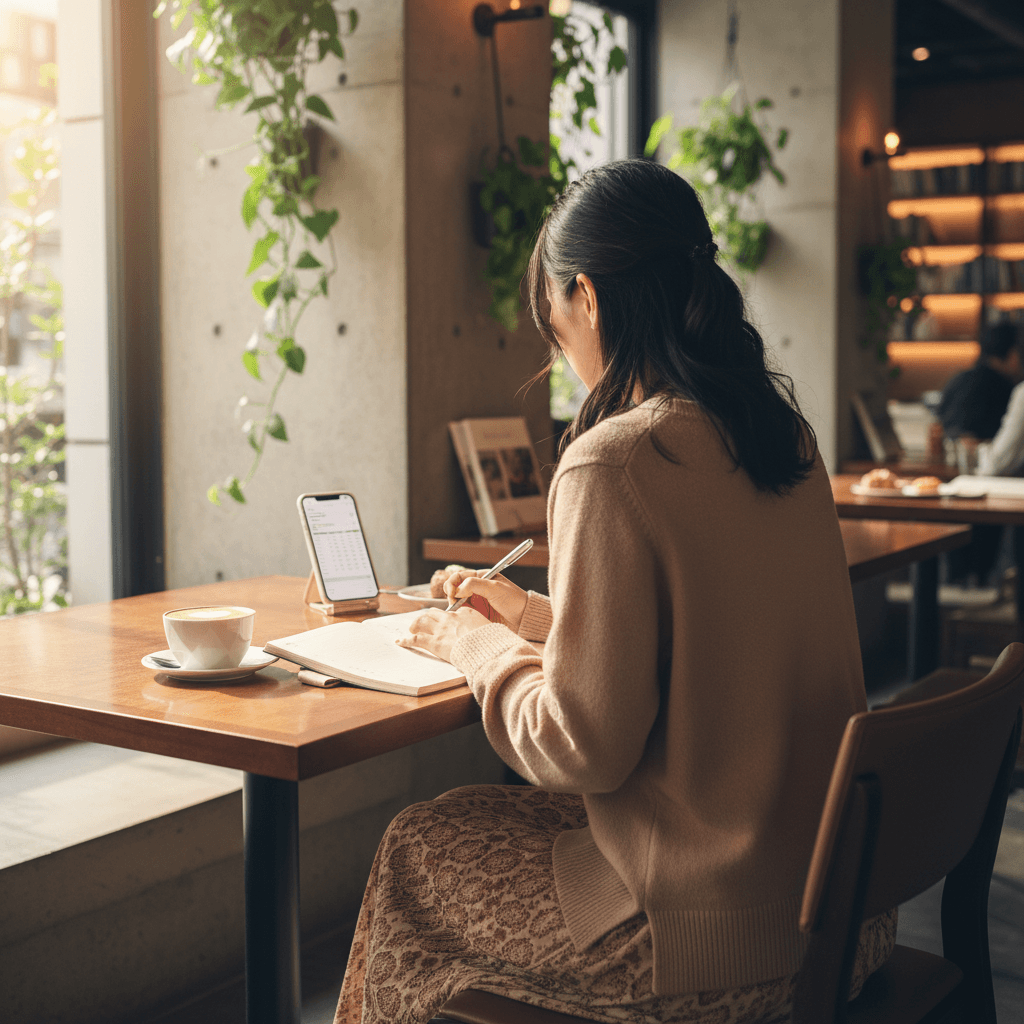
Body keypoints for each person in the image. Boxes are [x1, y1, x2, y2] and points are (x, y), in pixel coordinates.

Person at [334, 160, 895, 1024]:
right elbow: (708, 646)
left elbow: (579, 749)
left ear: (587, 299)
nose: (562, 357)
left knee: (415, 846)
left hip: (712, 942)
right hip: (837, 908)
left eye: (554, 327)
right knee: (454, 820)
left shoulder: (615, 458)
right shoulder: (780, 437)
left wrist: (472, 644)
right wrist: (530, 617)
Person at [938, 322, 1022, 444]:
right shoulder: (1008, 390)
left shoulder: (959, 378)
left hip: (950, 456)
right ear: (1013, 355)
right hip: (986, 458)